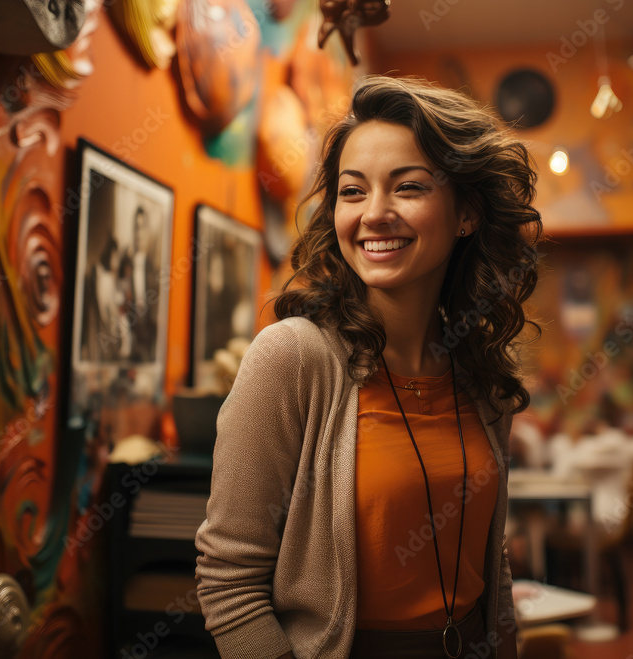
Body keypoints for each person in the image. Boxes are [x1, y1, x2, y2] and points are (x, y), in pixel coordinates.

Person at [194, 75, 543, 659]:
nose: (375, 214)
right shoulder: (292, 359)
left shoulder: (483, 377)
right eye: (352, 192)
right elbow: (228, 583)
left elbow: (491, 560)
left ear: (467, 213)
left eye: (407, 187)